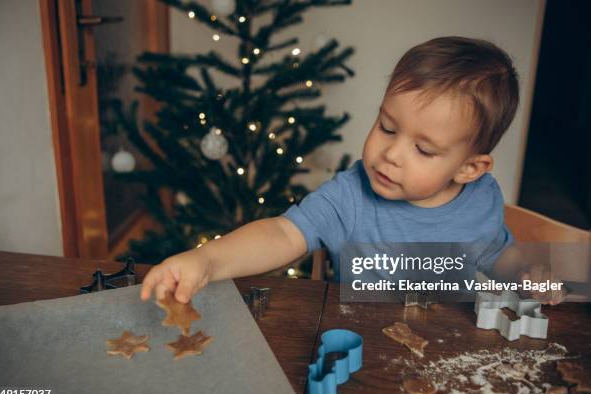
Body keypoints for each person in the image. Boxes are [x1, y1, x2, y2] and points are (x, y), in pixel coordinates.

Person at [140, 36, 566, 306]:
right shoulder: (350, 195)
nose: (390, 154)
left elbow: (495, 254)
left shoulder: (482, 200)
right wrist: (206, 259)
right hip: (360, 343)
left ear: (470, 168)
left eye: (422, 148)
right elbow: (282, 234)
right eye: (386, 127)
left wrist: (527, 274)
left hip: (446, 350)